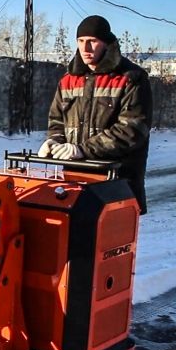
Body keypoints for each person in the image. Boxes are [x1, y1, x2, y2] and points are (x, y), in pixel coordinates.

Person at [39, 15, 153, 214]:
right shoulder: (68, 80)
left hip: (116, 184)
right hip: (74, 183)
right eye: (81, 41)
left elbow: (132, 130)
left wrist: (83, 150)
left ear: (106, 43)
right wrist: (55, 141)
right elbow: (57, 121)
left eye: (92, 41)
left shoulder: (130, 78)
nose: (85, 48)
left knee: (111, 235)